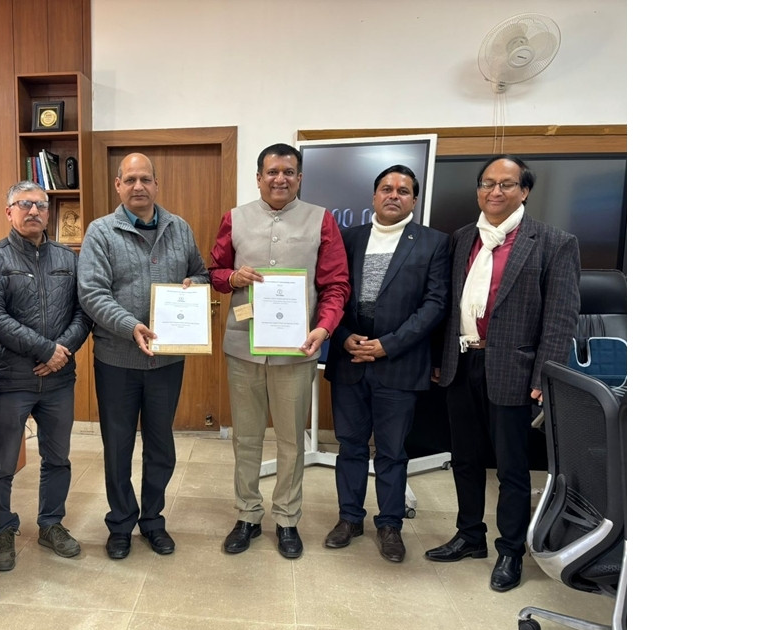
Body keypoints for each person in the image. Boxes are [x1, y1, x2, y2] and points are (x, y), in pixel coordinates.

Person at [426, 155, 580, 592]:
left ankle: (510, 550)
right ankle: (469, 535)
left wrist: (544, 375)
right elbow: (450, 305)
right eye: (487, 183)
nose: (495, 191)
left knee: (511, 468)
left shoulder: (553, 242)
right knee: (466, 458)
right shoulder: (462, 239)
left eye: (506, 184)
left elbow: (561, 316)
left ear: (524, 191)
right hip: (461, 362)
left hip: (515, 369)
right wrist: (439, 358)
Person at [209, 143, 349, 559]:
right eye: (272, 172)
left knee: (290, 440)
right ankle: (248, 515)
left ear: (300, 178)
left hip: (296, 350)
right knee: (246, 438)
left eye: (289, 172)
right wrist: (232, 278)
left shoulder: (321, 220)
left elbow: (335, 284)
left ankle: (287, 518)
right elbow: (214, 271)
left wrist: (324, 328)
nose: (280, 179)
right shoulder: (234, 218)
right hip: (243, 347)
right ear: (258, 177)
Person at [77, 152, 209, 561]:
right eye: (130, 179)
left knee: (161, 446)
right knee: (118, 447)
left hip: (167, 362)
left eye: (145, 179)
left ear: (156, 184)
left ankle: (152, 521)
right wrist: (130, 325)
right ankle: (120, 523)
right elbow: (92, 293)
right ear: (118, 185)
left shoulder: (179, 228)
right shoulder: (101, 232)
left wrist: (193, 285)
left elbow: (201, 273)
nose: (138, 186)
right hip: (117, 360)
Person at [322, 166, 449, 563]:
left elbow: (435, 305)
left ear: (414, 200)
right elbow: (330, 292)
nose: (394, 195)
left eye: (403, 190)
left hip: (399, 363)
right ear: (374, 196)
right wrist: (343, 336)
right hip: (350, 359)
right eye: (386, 189)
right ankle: (349, 518)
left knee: (392, 451)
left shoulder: (433, 243)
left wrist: (387, 346)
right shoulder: (348, 238)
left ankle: (390, 525)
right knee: (350, 446)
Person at [0, 181, 91, 572]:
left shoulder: (68, 257)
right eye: (24, 204)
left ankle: (51, 524)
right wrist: (45, 349)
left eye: (41, 205)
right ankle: (3, 529)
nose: (34, 211)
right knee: (2, 463)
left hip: (59, 380)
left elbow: (83, 313)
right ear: (9, 211)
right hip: (10, 379)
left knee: (58, 459)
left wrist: (61, 353)